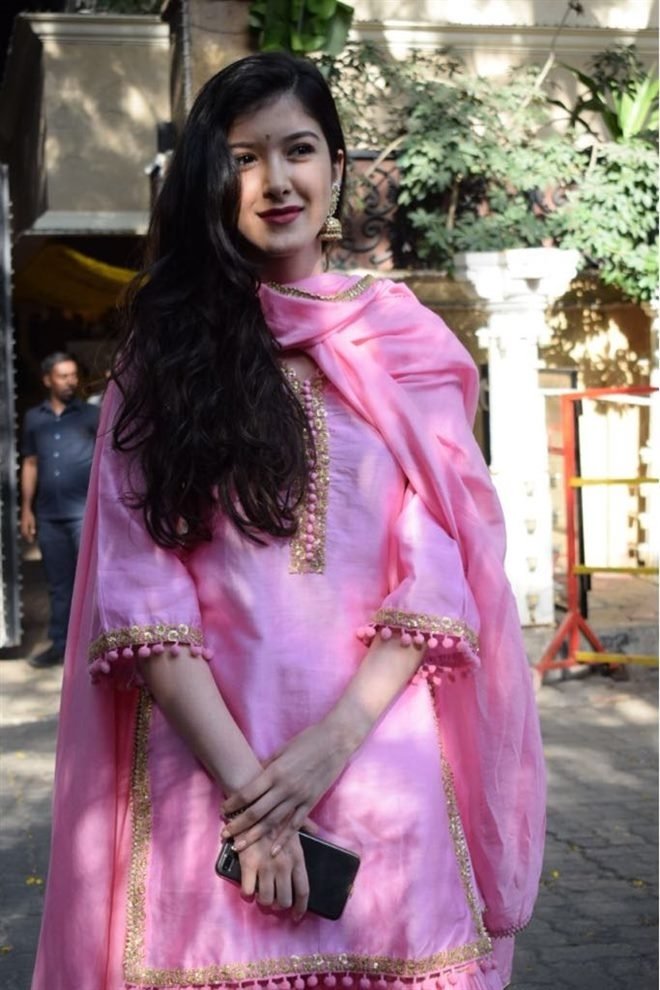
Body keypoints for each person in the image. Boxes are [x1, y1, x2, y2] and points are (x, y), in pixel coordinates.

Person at [31, 53, 545, 990]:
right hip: (209, 774)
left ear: (337, 168)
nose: (276, 180)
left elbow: (436, 564)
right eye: (244, 157)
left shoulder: (406, 343)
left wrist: (326, 751)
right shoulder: (164, 356)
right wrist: (255, 800)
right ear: (210, 178)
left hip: (380, 760)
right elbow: (142, 588)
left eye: (299, 150)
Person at [20, 352, 100, 667]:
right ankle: (60, 645)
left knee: (91, 583)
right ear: (47, 380)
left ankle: (95, 649)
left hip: (84, 514)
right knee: (58, 584)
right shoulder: (34, 418)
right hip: (49, 515)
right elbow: (30, 463)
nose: (70, 381)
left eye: (73, 375)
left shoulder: (91, 415)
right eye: (63, 376)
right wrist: (27, 509)